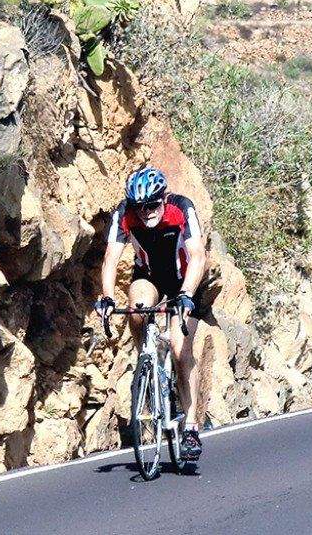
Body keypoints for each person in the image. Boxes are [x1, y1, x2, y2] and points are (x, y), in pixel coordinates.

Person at [98, 166, 208, 461]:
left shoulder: (181, 208)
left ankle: (192, 427)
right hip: (150, 277)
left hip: (187, 281)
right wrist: (107, 297)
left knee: (179, 349)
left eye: (152, 205)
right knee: (137, 309)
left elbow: (198, 256)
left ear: (163, 198)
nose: (146, 212)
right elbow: (110, 260)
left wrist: (186, 295)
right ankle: (145, 357)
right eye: (140, 207)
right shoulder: (124, 214)